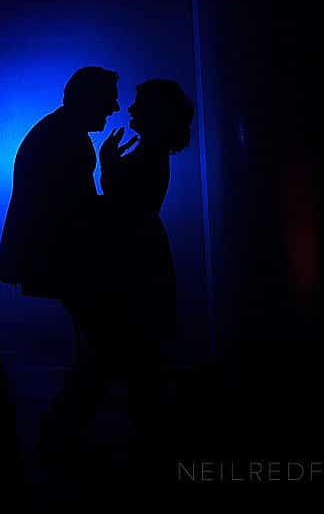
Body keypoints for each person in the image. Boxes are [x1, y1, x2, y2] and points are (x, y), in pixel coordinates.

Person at [0, 66, 129, 460]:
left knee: (100, 342)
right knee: (107, 344)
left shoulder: (58, 132)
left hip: (53, 256)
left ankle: (63, 431)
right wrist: (116, 181)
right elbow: (79, 211)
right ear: (89, 98)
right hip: (63, 258)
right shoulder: (69, 140)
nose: (115, 107)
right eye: (109, 98)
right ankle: (61, 432)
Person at [99, 78, 197, 448]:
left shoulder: (150, 151)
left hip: (137, 252)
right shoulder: (152, 149)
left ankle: (150, 436)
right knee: (143, 346)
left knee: (139, 344)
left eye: (139, 103)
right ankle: (151, 433)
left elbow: (124, 202)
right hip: (142, 247)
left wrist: (108, 165)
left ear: (155, 112)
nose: (131, 108)